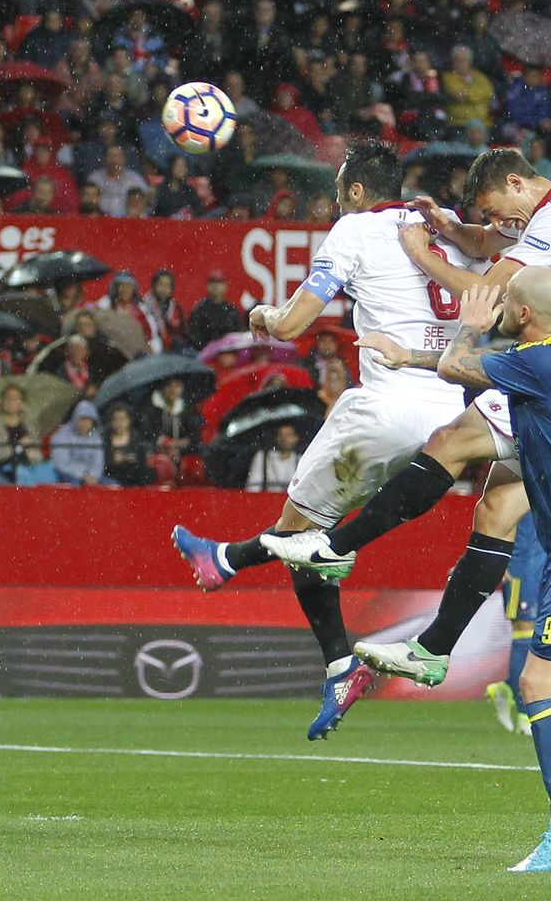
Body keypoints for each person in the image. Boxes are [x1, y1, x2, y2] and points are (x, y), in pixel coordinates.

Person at [263, 148, 551, 695]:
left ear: (516, 183)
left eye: (494, 210)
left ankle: (336, 547)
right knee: (496, 509)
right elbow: (487, 245)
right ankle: (433, 651)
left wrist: (423, 252)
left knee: (450, 441)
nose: (496, 224)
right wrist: (453, 228)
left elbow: (484, 293)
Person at [171, 140, 478, 739]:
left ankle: (231, 566)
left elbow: (292, 324)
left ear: (357, 192)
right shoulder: (439, 228)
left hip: (385, 410)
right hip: (449, 419)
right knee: (309, 535)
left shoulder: (354, 230)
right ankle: (312, 637)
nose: (335, 201)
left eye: (339, 191)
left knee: (299, 531)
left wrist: (262, 315)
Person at [345, 268, 551, 871]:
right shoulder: (550, 361)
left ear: (525, 315)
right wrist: (407, 354)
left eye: (507, 300)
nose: (500, 305)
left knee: (538, 686)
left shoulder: (546, 363)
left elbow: (461, 366)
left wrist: (466, 328)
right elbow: (471, 373)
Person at [487, 511, 542, 737]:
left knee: (541, 635)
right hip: (520, 567)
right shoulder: (519, 479)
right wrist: (497, 559)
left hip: (548, 563)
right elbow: (496, 513)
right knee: (525, 631)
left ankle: (507, 687)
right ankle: (524, 713)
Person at [245, 422, 301, 492]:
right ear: (276, 438)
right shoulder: (262, 457)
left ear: (296, 438)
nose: (284, 439)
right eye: (281, 435)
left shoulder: (301, 461)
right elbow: (252, 488)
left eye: (289, 435)